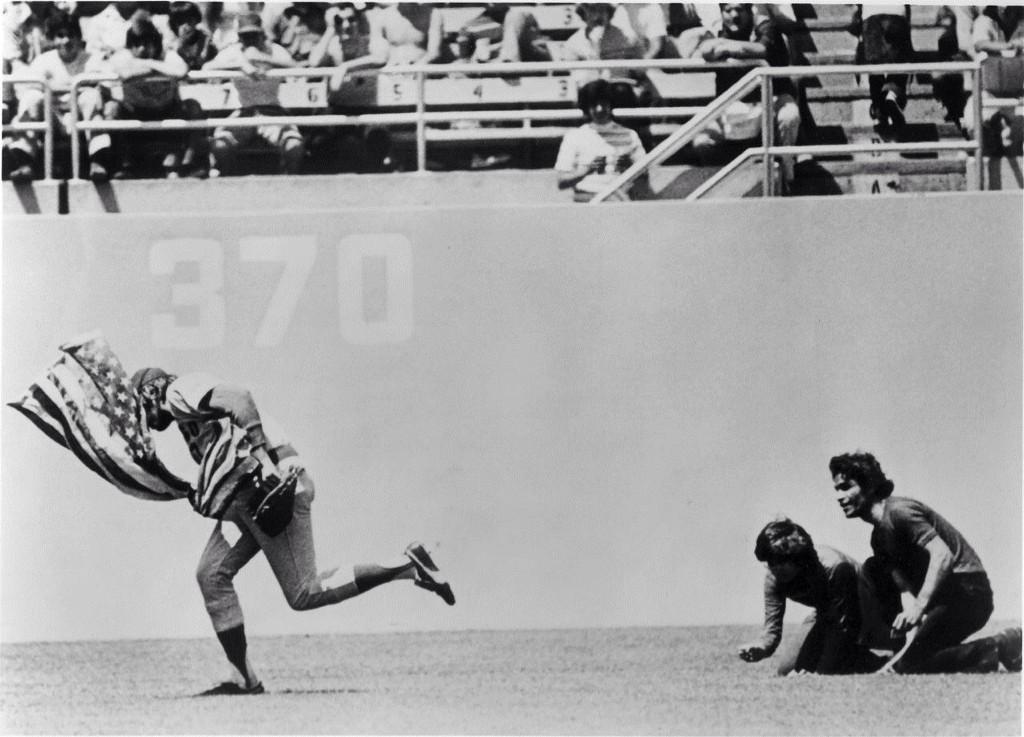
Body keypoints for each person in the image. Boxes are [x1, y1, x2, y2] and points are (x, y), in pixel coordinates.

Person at [130, 366, 455, 695]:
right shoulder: (183, 409)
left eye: (139, 406)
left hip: (268, 490)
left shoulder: (178, 390)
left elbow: (240, 399)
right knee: (211, 573)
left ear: (150, 391)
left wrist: (273, 458)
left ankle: (408, 564)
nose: (143, 420)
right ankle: (242, 676)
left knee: (304, 592)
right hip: (247, 499)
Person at [828, 451, 1021, 674]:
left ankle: (1000, 644)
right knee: (874, 569)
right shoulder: (878, 538)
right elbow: (904, 584)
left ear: (869, 485)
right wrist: (913, 626)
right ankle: (978, 655)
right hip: (946, 599)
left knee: (911, 664)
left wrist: (919, 609)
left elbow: (943, 556)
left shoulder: (900, 512)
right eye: (837, 490)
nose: (839, 497)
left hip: (969, 594)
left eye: (846, 487)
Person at [738, 517, 884, 675]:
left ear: (799, 559)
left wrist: (821, 672)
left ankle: (875, 661)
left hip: (865, 607)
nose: (774, 568)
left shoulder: (835, 566)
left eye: (780, 561)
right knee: (787, 670)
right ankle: (855, 657)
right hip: (827, 614)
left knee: (826, 664)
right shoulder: (773, 578)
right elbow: (772, 629)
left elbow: (847, 623)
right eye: (770, 562)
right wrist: (762, 647)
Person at [692, 3, 801, 188]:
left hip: (771, 101)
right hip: (733, 107)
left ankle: (788, 178)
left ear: (750, 11)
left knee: (789, 116)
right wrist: (720, 45)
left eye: (739, 10)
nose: (734, 15)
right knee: (702, 140)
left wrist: (728, 47)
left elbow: (762, 49)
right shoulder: (719, 32)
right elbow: (705, 49)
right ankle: (718, 185)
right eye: (728, 10)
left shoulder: (765, 27)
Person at [5, 11, 112, 182]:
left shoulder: (92, 60)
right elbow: (28, 88)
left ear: (78, 38)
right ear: (53, 40)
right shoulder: (43, 61)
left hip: (80, 117)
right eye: (60, 36)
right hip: (52, 118)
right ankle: (25, 163)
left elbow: (109, 83)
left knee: (91, 96)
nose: (66, 41)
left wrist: (83, 87)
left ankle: (97, 163)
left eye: (71, 35)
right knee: (32, 97)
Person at [100, 19, 208, 178]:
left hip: (166, 112)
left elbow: (181, 71)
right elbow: (123, 73)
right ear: (130, 45)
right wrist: (155, 68)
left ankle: (188, 164)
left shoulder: (167, 55)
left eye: (146, 43)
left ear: (156, 43)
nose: (142, 48)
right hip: (135, 113)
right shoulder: (123, 55)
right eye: (136, 44)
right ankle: (122, 165)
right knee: (112, 108)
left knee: (193, 106)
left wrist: (149, 64)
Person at [202, 11, 306, 176]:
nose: (250, 40)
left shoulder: (274, 50)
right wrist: (240, 64)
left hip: (272, 110)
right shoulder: (234, 52)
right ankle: (228, 182)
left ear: (262, 34)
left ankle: (290, 182)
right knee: (220, 146)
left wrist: (263, 58)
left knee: (294, 146)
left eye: (253, 35)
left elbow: (299, 69)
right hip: (245, 111)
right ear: (239, 37)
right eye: (245, 36)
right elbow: (207, 68)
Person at [554, 77, 649, 202]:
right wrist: (585, 171)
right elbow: (561, 182)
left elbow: (644, 177)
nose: (599, 109)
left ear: (611, 104)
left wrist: (630, 168)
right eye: (594, 104)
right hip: (586, 198)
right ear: (587, 107)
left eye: (603, 103)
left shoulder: (629, 135)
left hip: (620, 198)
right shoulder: (574, 136)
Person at [848, 4, 914, 133]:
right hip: (897, 13)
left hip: (871, 14)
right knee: (900, 61)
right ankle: (892, 94)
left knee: (875, 66)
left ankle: (879, 107)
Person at [453, 4, 552, 64]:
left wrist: (500, 49)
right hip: (492, 70)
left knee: (516, 16)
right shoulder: (470, 27)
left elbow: (541, 52)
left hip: (527, 64)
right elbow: (464, 61)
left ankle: (507, 60)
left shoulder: (523, 17)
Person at [166, 1, 217, 71]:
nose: (186, 26)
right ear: (174, 24)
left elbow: (201, 61)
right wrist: (181, 44)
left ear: (196, 20)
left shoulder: (204, 38)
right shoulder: (171, 41)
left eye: (190, 21)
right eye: (180, 22)